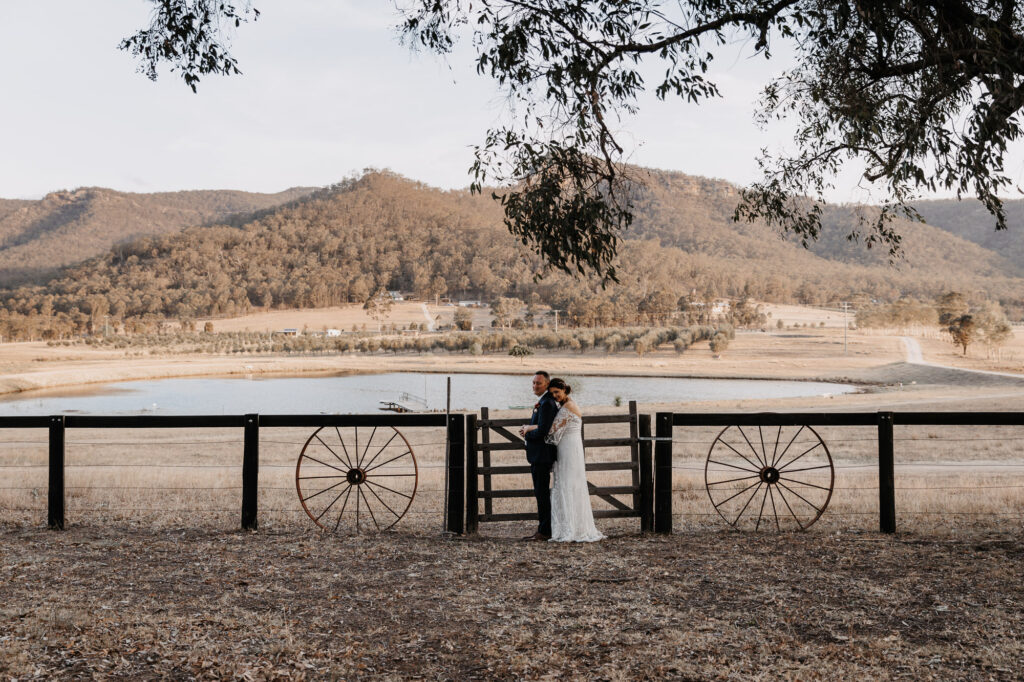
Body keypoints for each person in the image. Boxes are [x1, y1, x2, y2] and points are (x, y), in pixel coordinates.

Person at [523, 378, 604, 543]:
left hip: (569, 449)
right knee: (563, 484)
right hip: (565, 447)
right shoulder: (564, 405)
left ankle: (573, 528)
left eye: (557, 393)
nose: (554, 396)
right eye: (552, 393)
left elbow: (551, 429)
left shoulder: (569, 407)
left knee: (569, 484)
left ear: (565, 391)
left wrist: (528, 428)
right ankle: (565, 524)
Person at [518, 370, 558, 541]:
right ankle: (543, 529)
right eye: (533, 383)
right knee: (540, 493)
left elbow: (543, 430)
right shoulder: (543, 402)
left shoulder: (547, 403)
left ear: (547, 384)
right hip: (538, 455)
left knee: (542, 494)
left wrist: (527, 434)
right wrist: (528, 427)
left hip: (542, 455)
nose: (535, 386)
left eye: (538, 383)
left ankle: (544, 531)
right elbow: (540, 425)